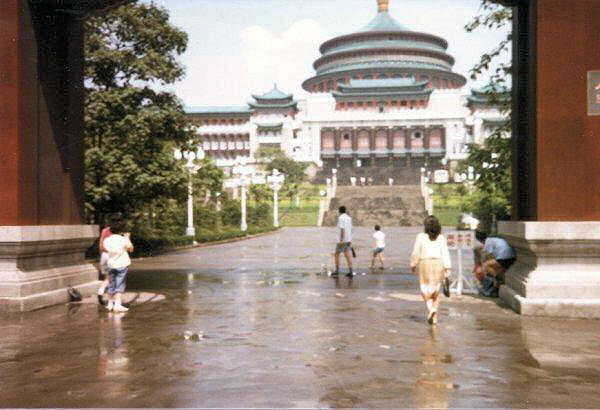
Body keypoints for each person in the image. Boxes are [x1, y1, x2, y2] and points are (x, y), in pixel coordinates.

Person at [410, 215, 451, 325]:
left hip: (425, 264)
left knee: (426, 290)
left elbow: (416, 252)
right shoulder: (441, 237)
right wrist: (448, 267)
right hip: (439, 263)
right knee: (436, 291)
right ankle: (435, 316)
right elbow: (445, 252)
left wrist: (413, 264)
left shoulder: (420, 236)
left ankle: (431, 310)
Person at [103, 223, 134, 312]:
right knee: (120, 284)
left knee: (111, 284)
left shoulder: (107, 240)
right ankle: (117, 305)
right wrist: (127, 238)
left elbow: (106, 249)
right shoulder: (123, 240)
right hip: (122, 264)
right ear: (120, 231)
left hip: (111, 264)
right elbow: (131, 249)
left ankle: (109, 304)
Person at [333, 205, 353, 278]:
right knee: (347, 255)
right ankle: (351, 271)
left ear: (339, 211)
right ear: (345, 210)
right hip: (348, 239)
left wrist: (341, 239)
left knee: (336, 254)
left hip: (342, 240)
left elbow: (342, 229)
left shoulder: (341, 218)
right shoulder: (349, 218)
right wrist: (350, 239)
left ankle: (337, 270)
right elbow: (351, 229)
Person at [97, 224, 112, 305]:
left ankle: (100, 292)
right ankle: (111, 300)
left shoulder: (104, 231)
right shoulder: (115, 233)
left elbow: (100, 245)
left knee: (107, 278)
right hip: (111, 256)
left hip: (103, 255)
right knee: (113, 278)